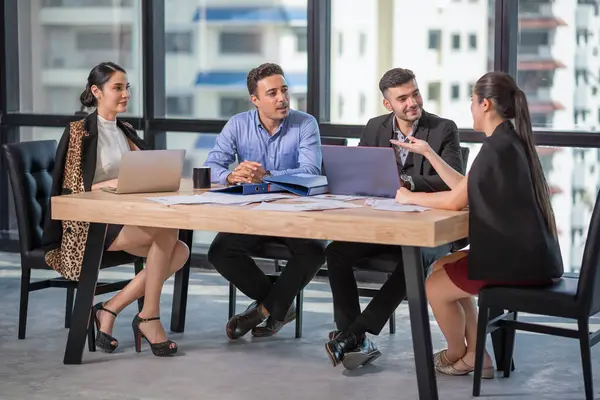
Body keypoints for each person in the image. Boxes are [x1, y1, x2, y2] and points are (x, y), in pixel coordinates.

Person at [393, 71, 564, 377]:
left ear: (485, 104)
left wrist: (408, 198)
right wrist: (430, 153)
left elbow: (453, 202)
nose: (470, 108)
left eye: (472, 101)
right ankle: (476, 356)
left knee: (433, 286)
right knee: (444, 264)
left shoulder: (495, 148)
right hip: (531, 259)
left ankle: (457, 352)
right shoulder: (507, 141)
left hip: (518, 266)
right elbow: (464, 189)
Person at [43, 62, 190, 357]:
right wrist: (108, 185)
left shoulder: (126, 130)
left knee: (181, 249)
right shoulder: (78, 132)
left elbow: (143, 172)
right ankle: (148, 319)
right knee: (171, 237)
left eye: (127, 88)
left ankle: (111, 309)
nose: (125, 94)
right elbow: (72, 190)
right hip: (90, 224)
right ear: (97, 92)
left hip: (123, 215)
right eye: (117, 88)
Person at [324, 68, 463, 370]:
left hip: (431, 232)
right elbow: (361, 170)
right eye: (403, 98)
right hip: (386, 225)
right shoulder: (375, 127)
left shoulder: (443, 129)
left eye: (415, 93)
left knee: (412, 259)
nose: (412, 102)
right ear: (388, 105)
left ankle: (353, 334)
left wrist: (408, 183)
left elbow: (453, 182)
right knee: (336, 251)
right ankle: (355, 341)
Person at [204, 63, 326, 340]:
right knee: (220, 251)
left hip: (295, 216)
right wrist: (231, 176)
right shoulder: (238, 124)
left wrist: (268, 175)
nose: (282, 98)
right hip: (254, 216)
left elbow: (311, 172)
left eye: (284, 90)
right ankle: (280, 305)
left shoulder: (305, 123)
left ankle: (264, 310)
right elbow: (210, 166)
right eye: (272, 93)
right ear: (255, 100)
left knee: (316, 251)